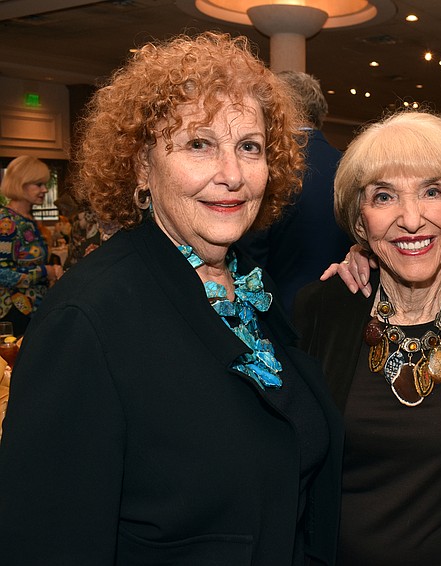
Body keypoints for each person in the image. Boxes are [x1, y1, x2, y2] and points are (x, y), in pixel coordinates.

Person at [0, 32, 342, 565]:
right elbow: (46, 540)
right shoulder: (87, 320)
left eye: (249, 147)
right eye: (199, 144)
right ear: (141, 166)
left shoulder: (253, 288)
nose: (231, 175)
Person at [293, 110, 441, 565]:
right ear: (361, 223)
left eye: (432, 192)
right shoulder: (322, 311)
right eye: (384, 197)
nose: (412, 219)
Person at [238, 71, 351, 316]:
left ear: (281, 109)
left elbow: (252, 257)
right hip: (344, 312)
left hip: (278, 314)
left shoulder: (272, 168)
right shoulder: (349, 167)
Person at [0, 155, 62, 335]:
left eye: (45, 184)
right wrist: (45, 271)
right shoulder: (7, 222)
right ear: (21, 184)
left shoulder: (28, 220)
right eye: (38, 184)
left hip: (32, 311)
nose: (44, 189)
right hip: (14, 313)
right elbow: (2, 273)